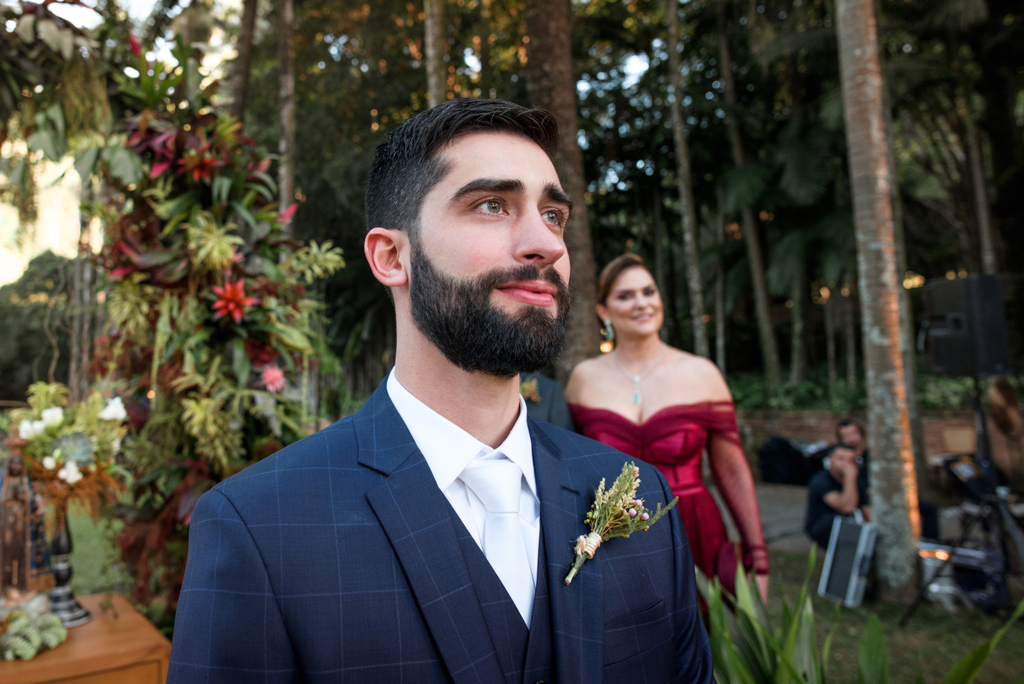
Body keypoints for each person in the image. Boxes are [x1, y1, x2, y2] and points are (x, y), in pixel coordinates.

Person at [168, 99, 711, 684]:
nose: (547, 244)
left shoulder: (640, 496)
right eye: (492, 205)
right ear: (392, 257)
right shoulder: (257, 528)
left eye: (553, 215)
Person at [565, 253, 770, 601]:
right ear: (604, 311)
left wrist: (758, 558)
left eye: (649, 291)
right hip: (617, 539)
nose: (641, 303)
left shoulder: (702, 374)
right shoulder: (584, 379)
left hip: (695, 529)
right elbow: (569, 470)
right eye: (625, 296)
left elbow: (731, 469)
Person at [835, 417, 939, 541]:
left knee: (928, 508)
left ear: (861, 434)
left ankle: (929, 547)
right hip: (864, 503)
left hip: (887, 497)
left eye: (853, 433)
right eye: (845, 435)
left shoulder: (873, 456)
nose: (850, 439)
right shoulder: (841, 459)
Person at [805, 443, 870, 548]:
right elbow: (847, 507)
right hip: (822, 528)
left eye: (851, 460)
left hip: (848, 528)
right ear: (831, 459)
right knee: (838, 521)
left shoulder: (858, 481)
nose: (846, 464)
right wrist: (849, 478)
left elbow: (867, 509)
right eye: (841, 459)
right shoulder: (821, 479)